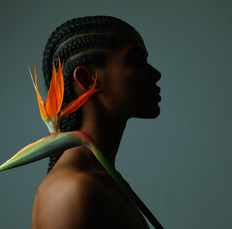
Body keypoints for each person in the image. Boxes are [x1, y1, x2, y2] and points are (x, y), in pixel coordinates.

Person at [31, 16, 161, 229]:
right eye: (136, 61)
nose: (156, 74)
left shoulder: (104, 180)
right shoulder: (75, 190)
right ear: (87, 79)